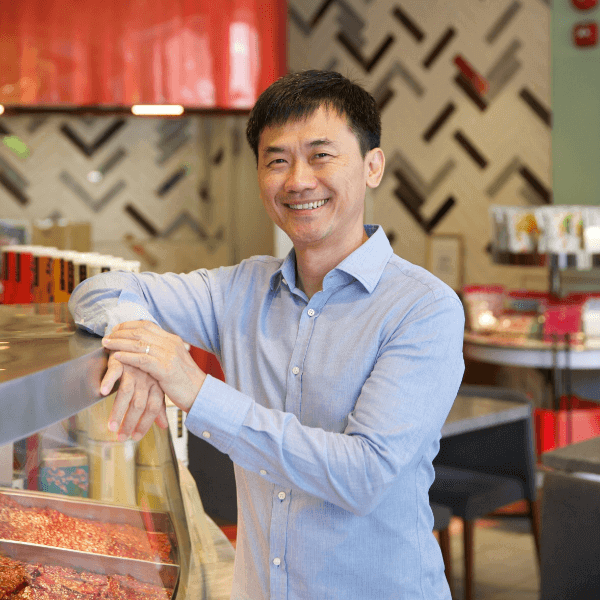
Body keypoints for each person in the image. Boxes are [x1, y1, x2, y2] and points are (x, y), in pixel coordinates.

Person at [69, 69, 465, 600]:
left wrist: (194, 390)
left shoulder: (424, 308)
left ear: (373, 167)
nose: (297, 180)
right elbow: (97, 292)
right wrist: (134, 341)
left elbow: (362, 475)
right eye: (276, 160)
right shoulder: (241, 290)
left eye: (321, 155)